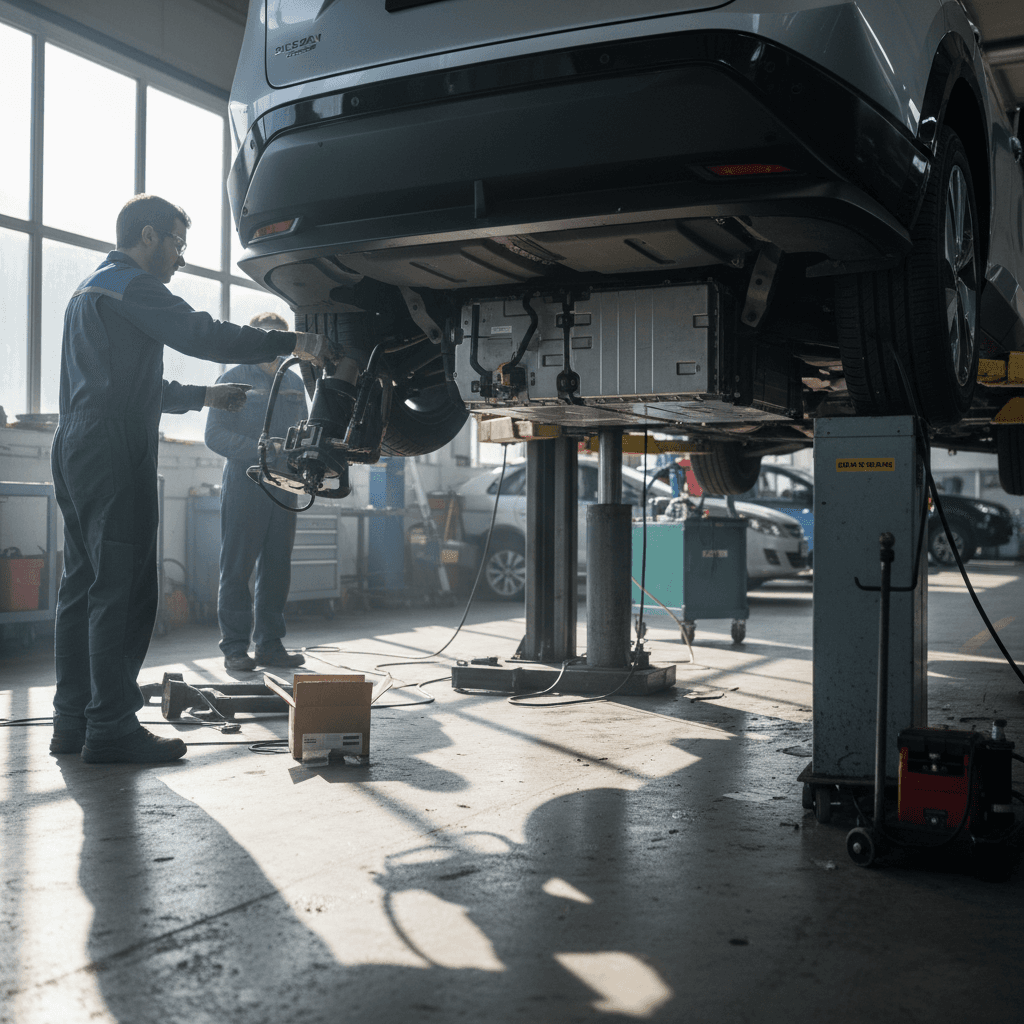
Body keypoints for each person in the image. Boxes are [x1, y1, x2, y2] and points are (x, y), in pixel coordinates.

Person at [50, 194, 330, 765]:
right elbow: (204, 335)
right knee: (122, 588)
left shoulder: (89, 292)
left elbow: (129, 386)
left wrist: (203, 397)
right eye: (177, 242)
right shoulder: (134, 286)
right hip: (112, 447)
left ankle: (72, 719)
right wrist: (293, 343)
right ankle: (111, 726)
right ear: (148, 236)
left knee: (81, 585)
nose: (180, 257)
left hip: (77, 442)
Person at [206, 312, 309, 672]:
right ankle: (235, 648)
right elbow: (214, 435)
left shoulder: (295, 382)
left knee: (278, 565)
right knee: (237, 567)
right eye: (267, 338)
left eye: (281, 339)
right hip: (245, 483)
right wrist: (260, 449)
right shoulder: (234, 379)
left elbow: (307, 431)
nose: (275, 347)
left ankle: (270, 645)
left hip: (285, 485)